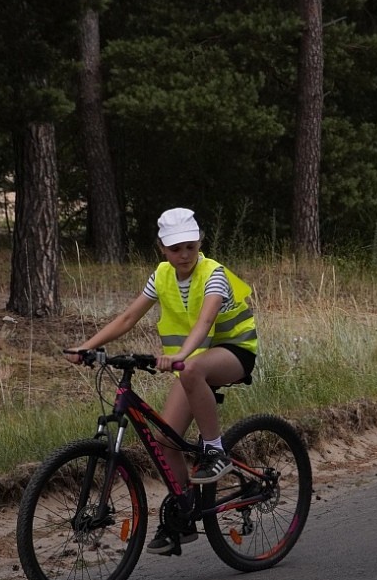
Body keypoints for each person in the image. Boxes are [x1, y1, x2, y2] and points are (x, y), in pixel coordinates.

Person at [65, 207, 258, 553]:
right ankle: (184, 515)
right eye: (174, 249)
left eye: (190, 247)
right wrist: (86, 347)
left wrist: (182, 356)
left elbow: (203, 323)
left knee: (194, 369)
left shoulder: (213, 274)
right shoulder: (162, 276)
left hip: (233, 351)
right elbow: (127, 318)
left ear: (200, 242)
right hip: (192, 362)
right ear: (161, 248)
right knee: (165, 438)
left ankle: (216, 451)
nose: (183, 255)